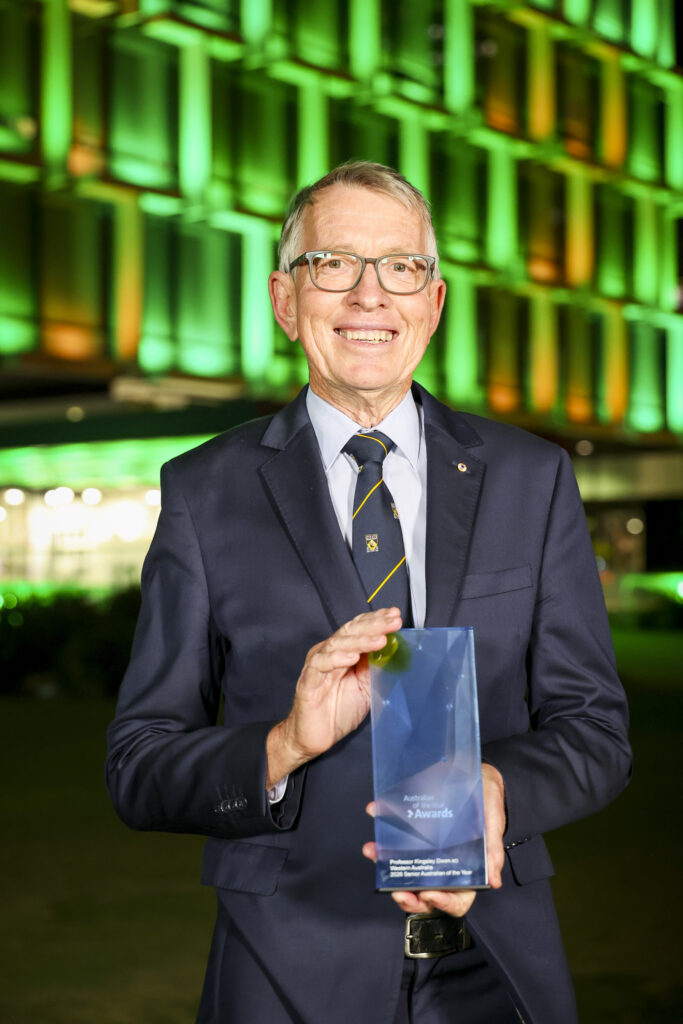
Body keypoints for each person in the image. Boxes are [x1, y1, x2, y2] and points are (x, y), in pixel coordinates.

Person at [106, 162, 631, 1024]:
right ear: (285, 299)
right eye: (333, 264)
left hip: (494, 957)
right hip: (285, 965)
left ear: (433, 301)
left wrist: (498, 791)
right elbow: (138, 764)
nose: (368, 294)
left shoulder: (530, 479)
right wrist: (278, 745)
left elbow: (596, 733)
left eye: (399, 267)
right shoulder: (204, 490)